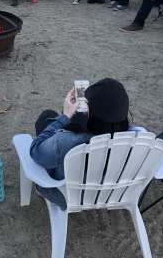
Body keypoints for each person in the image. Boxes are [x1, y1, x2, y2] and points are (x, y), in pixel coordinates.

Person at [29, 79, 131, 209]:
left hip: (68, 197)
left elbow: (35, 150)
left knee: (46, 117)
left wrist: (65, 116)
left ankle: (42, 189)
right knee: (50, 117)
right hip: (110, 196)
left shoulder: (67, 142)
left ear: (90, 112)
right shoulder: (136, 138)